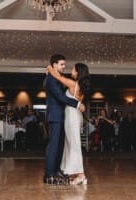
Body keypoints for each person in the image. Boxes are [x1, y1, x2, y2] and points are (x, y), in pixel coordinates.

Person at [43, 54, 85, 185]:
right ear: (55, 65)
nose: (64, 67)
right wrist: (77, 104)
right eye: (61, 64)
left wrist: (50, 69)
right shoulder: (51, 79)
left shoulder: (57, 78)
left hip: (63, 116)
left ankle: (56, 171)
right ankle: (49, 175)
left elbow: (62, 84)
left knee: (60, 146)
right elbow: (61, 98)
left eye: (64, 65)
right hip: (55, 116)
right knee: (53, 146)